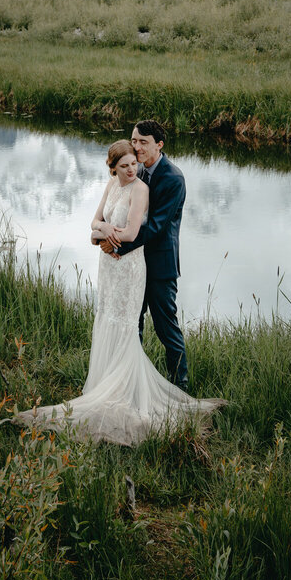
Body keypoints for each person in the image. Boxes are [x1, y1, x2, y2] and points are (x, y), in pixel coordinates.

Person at [14, 136, 223, 445]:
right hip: (109, 265)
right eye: (125, 165)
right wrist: (104, 233)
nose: (131, 168)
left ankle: (152, 388)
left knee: (140, 325)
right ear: (112, 168)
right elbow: (94, 222)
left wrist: (109, 238)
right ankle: (105, 385)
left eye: (134, 162)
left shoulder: (147, 186)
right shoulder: (114, 185)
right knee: (109, 319)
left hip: (131, 266)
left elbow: (138, 231)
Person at [101, 120, 190, 391]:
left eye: (143, 142)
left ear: (159, 145)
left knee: (166, 329)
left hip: (159, 266)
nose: (136, 147)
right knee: (132, 324)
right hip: (132, 266)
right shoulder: (132, 171)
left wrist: (117, 245)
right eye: (134, 140)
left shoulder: (173, 178)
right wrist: (104, 234)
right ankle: (132, 384)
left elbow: (155, 226)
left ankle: (180, 387)